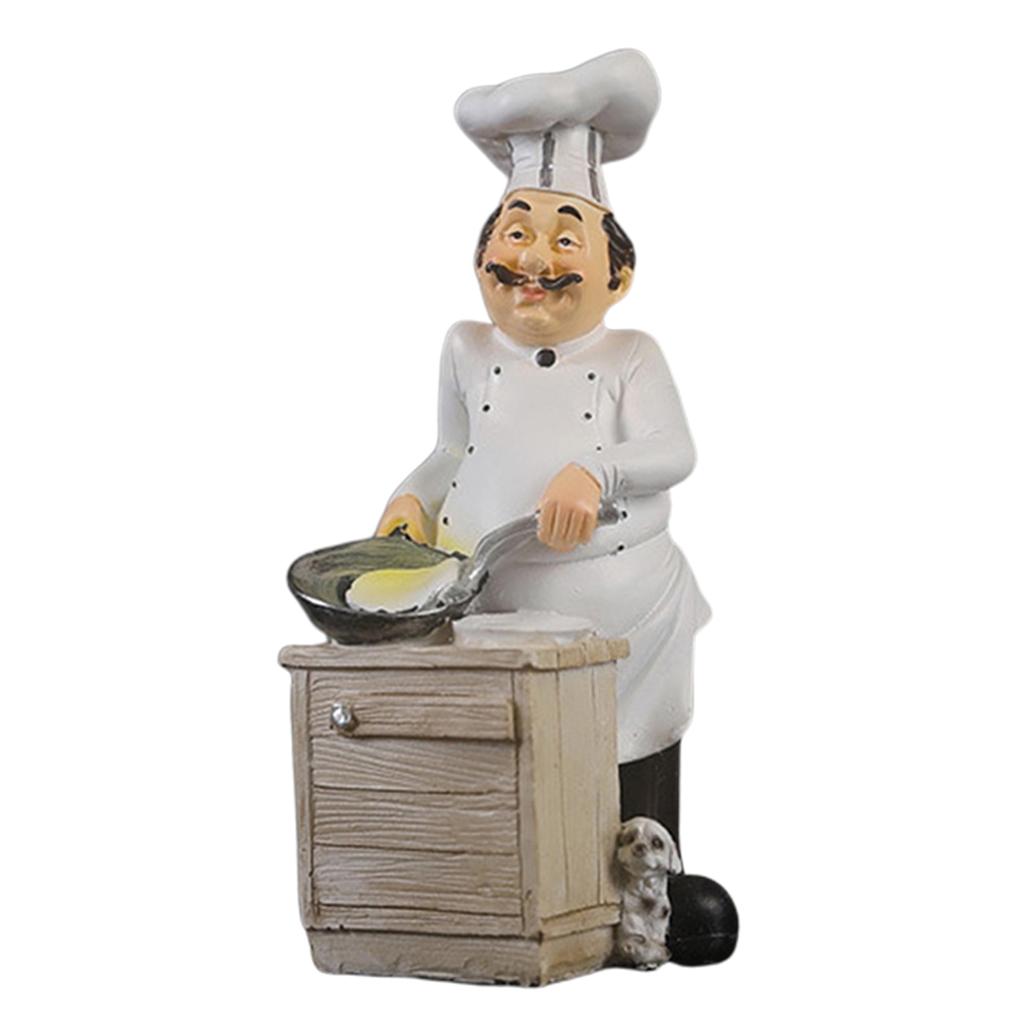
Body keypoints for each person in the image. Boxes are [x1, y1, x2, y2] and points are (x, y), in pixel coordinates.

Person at [375, 51, 737, 965]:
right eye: (515, 235)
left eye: (566, 241)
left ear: (617, 274)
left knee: (625, 751)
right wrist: (413, 498)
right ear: (482, 254)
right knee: (512, 756)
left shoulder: (630, 357)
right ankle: (495, 893)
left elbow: (674, 453)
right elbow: (453, 449)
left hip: (622, 611)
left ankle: (645, 903)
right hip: (486, 602)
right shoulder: (465, 348)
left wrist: (595, 472)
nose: (534, 260)